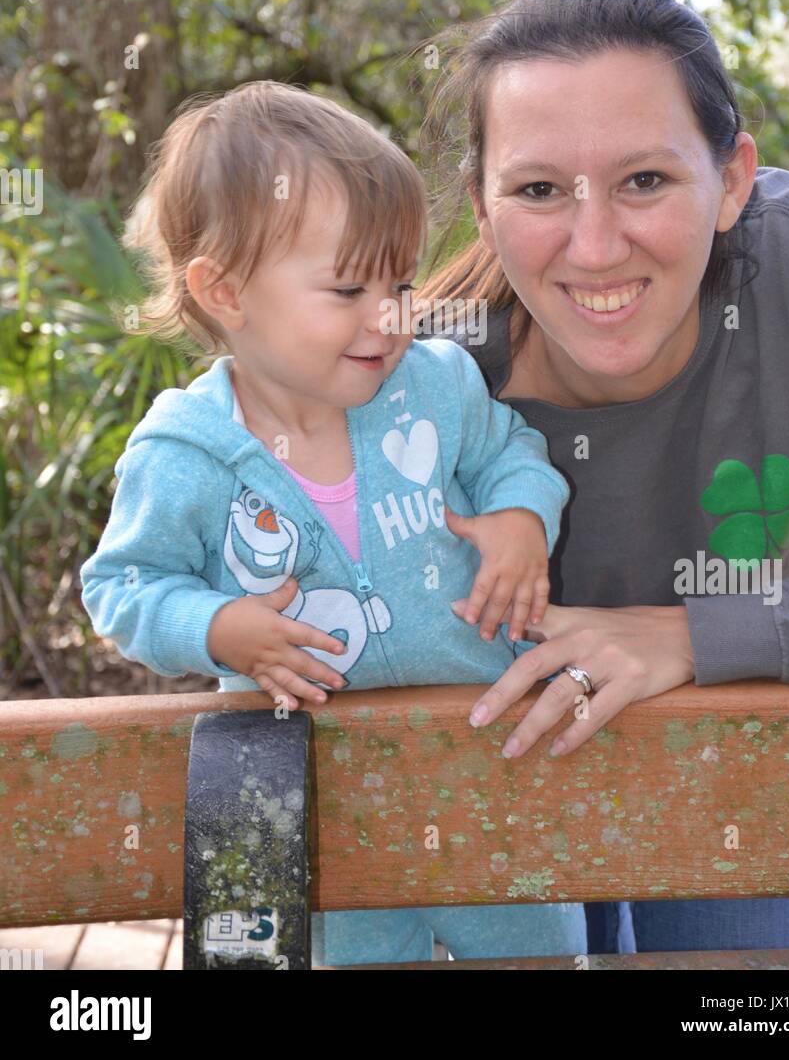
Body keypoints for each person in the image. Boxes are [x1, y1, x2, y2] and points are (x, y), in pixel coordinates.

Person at [79, 79, 585, 966]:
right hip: (310, 800)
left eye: (398, 281)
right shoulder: (186, 453)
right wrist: (217, 627)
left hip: (488, 775)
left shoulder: (434, 385)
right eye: (348, 287)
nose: (387, 317)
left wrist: (518, 518)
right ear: (224, 291)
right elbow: (121, 586)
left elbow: (512, 452)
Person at [417, 0, 789, 954]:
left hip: (734, 757)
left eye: (644, 180)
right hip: (500, 764)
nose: (593, 243)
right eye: (538, 189)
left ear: (731, 180)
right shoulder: (418, 373)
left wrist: (696, 636)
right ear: (483, 210)